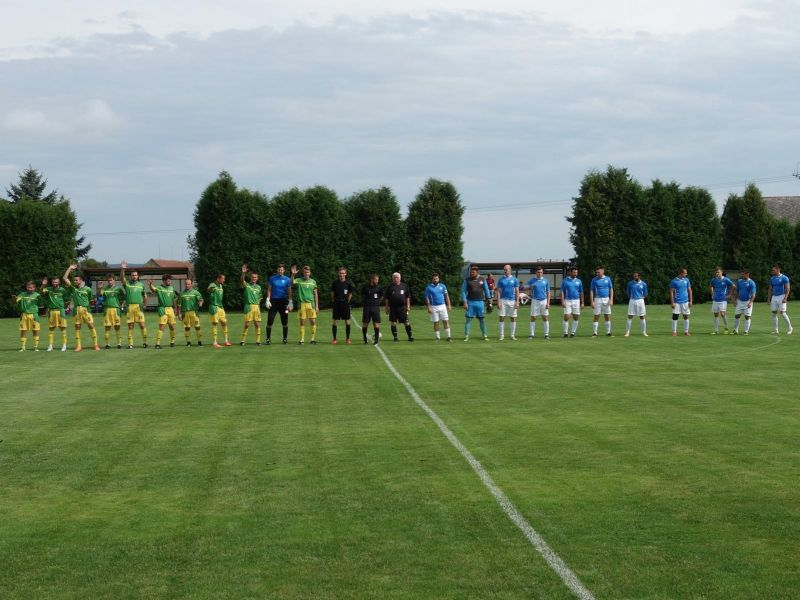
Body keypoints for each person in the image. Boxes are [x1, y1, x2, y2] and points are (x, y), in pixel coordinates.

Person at [63, 264, 100, 351]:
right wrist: (69, 268)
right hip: (76, 310)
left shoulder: (88, 289)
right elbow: (65, 278)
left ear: (81, 280)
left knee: (91, 325)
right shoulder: (73, 288)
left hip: (86, 310)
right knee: (77, 327)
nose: (74, 281)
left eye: (76, 280)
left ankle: (95, 344)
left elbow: (89, 299)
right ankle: (78, 346)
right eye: (74, 280)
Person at [120, 260, 148, 348]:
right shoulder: (127, 284)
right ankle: (130, 344)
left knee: (142, 325)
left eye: (135, 275)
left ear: (138, 276)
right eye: (132, 275)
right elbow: (121, 279)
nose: (134, 276)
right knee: (130, 326)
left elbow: (145, 296)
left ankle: (145, 342)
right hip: (130, 307)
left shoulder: (141, 285)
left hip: (138, 307)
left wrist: (144, 304)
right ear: (130, 276)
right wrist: (123, 269)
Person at [461, 265, 491, 341]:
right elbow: (463, 291)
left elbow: (486, 290)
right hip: (470, 302)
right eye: (471, 272)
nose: (471, 273)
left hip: (480, 302)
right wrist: (464, 302)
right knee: (468, 320)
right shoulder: (467, 280)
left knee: (482, 319)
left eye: (473, 272)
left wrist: (489, 299)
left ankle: (484, 335)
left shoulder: (482, 279)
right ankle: (466, 336)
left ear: (477, 272)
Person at [148, 274, 178, 349]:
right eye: (168, 280)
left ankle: (172, 342)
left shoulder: (171, 288)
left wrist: (175, 308)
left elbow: (174, 299)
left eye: (170, 280)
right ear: (164, 281)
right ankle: (157, 344)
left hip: (170, 309)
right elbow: (153, 289)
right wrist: (150, 284)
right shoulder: (159, 288)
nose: (170, 281)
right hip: (163, 309)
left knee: (172, 326)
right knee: (162, 326)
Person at [265, 263, 293, 345]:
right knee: (270, 320)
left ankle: (285, 339)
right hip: (273, 301)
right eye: (279, 270)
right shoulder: (272, 278)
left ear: (284, 270)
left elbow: (289, 291)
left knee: (284, 321)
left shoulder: (287, 279)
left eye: (282, 270)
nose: (280, 271)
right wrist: (267, 299)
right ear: (277, 270)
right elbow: (269, 289)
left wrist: (290, 301)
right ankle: (268, 339)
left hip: (283, 302)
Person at [292, 265, 319, 345]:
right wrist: (293, 275)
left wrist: (317, 306)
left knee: (313, 322)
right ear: (303, 273)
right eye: (305, 272)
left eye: (307, 272)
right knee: (302, 323)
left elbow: (316, 294)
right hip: (302, 304)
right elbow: (292, 282)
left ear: (310, 273)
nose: (306, 273)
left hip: (311, 304)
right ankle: (302, 339)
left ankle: (312, 339)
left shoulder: (313, 282)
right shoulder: (299, 280)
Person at [40, 275, 69, 351]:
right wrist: (43, 284)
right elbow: (41, 291)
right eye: (53, 282)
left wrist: (64, 307)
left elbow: (67, 300)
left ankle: (64, 345)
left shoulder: (63, 290)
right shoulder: (48, 289)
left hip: (60, 311)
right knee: (51, 328)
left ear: (59, 282)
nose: (54, 283)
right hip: (52, 311)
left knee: (62, 328)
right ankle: (50, 346)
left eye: (56, 281)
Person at [12, 281, 42, 351]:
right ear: (26, 287)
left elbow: (41, 303)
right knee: (23, 330)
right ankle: (23, 347)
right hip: (24, 315)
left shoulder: (37, 295)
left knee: (35, 330)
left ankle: (36, 347)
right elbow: (16, 300)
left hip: (34, 315)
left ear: (34, 288)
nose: (30, 289)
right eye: (28, 287)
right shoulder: (22, 294)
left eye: (31, 287)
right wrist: (14, 299)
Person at [385, 272, 414, 342]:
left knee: (406, 322)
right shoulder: (390, 287)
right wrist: (386, 308)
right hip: (393, 308)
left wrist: (408, 306)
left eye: (397, 277)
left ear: (400, 278)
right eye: (394, 277)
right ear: (392, 279)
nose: (395, 279)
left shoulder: (404, 286)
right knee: (393, 323)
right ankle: (395, 337)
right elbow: (387, 298)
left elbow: (407, 297)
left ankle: (410, 337)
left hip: (402, 308)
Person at [523, 266, 551, 339]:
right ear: (536, 272)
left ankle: (546, 334)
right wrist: (530, 286)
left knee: (545, 317)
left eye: (541, 272)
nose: (540, 273)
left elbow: (548, 292)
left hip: (544, 301)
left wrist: (548, 303)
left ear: (542, 273)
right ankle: (531, 334)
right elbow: (524, 288)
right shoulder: (532, 280)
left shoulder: (546, 281)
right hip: (535, 300)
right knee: (533, 317)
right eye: (538, 272)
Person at [98, 273, 125, 348]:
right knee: (107, 327)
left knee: (117, 327)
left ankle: (119, 343)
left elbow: (123, 298)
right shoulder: (104, 289)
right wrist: (100, 288)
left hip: (116, 310)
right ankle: (107, 344)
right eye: (108, 280)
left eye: (111, 280)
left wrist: (122, 306)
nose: (110, 282)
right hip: (107, 310)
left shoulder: (118, 289)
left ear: (114, 280)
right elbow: (100, 297)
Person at [240, 264, 263, 346]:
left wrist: (257, 304)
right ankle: (242, 340)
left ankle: (258, 341)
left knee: (257, 324)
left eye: (255, 277)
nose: (254, 278)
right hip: (248, 306)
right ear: (251, 278)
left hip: (256, 307)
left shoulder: (259, 287)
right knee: (247, 324)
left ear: (257, 278)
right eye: (252, 277)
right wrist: (243, 273)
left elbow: (260, 297)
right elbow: (242, 280)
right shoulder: (247, 285)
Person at [425, 272, 452, 341]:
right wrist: (428, 307)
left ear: (438, 279)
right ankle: (437, 337)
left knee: (445, 321)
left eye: (436, 279)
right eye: (434, 279)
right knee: (436, 322)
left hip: (443, 306)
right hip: (434, 307)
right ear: (432, 280)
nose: (435, 280)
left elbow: (446, 296)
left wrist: (449, 305)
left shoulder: (443, 286)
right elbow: (427, 298)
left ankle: (448, 337)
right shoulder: (428, 288)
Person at [331, 266, 354, 344]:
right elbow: (332, 293)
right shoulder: (335, 283)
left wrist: (347, 301)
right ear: (338, 273)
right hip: (337, 304)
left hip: (345, 304)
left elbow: (350, 293)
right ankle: (334, 339)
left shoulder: (348, 283)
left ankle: (347, 339)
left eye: (343, 273)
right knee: (335, 322)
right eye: (340, 273)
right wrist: (334, 302)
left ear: (345, 274)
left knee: (347, 322)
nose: (341, 275)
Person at [496, 264, 520, 340]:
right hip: (503, 300)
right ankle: (501, 335)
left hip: (512, 301)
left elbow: (517, 291)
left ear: (510, 270)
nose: (505, 271)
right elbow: (499, 292)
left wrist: (517, 302)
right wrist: (498, 302)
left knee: (513, 318)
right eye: (504, 269)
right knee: (502, 317)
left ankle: (512, 335)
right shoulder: (501, 279)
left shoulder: (515, 279)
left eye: (506, 269)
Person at [208, 273, 232, 347]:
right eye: (223, 279)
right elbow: (208, 289)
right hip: (214, 306)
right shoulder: (213, 284)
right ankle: (214, 343)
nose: (224, 280)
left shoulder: (221, 286)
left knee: (224, 322)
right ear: (218, 279)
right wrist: (211, 289)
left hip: (220, 307)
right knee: (215, 323)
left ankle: (226, 341)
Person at [709, 267, 735, 334]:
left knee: (723, 314)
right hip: (715, 300)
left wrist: (730, 295)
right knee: (715, 314)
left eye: (718, 272)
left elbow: (733, 286)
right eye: (716, 272)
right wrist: (712, 294)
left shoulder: (726, 280)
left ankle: (726, 328)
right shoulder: (713, 280)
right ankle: (716, 330)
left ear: (721, 272)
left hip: (723, 300)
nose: (717, 273)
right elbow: (711, 286)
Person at [768, 264, 793, 335]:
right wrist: (769, 299)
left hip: (782, 296)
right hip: (774, 297)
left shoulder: (784, 278)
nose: (772, 271)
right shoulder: (772, 278)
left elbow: (788, 288)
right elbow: (770, 288)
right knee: (774, 313)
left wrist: (785, 297)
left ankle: (790, 328)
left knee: (782, 313)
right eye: (772, 270)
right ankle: (776, 330)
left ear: (778, 269)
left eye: (774, 270)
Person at [590, 266, 614, 337]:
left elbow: (611, 289)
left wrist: (611, 299)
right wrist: (592, 301)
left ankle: (608, 332)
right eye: (596, 272)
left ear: (602, 271)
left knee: (607, 315)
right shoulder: (594, 279)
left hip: (606, 299)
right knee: (596, 316)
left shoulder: (607, 279)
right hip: (597, 299)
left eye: (599, 272)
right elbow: (591, 290)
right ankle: (595, 333)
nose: (597, 273)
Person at [178, 278, 203, 345]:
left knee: (197, 327)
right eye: (186, 284)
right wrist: (179, 314)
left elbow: (201, 299)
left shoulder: (195, 292)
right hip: (185, 313)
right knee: (187, 328)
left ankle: (199, 341)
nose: (187, 285)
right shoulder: (181, 294)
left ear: (191, 284)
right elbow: (179, 305)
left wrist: (200, 303)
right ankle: (188, 342)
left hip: (194, 312)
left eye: (188, 284)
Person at [561, 266, 584, 337]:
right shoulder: (565, 281)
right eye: (574, 272)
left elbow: (581, 292)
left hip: (577, 301)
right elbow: (562, 291)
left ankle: (573, 332)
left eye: (576, 272)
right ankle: (565, 332)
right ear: (570, 272)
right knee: (567, 316)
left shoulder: (579, 281)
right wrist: (562, 301)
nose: (575, 274)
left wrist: (582, 302)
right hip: (567, 300)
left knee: (576, 316)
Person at [669, 268, 693, 336]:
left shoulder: (686, 280)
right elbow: (671, 292)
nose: (686, 274)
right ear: (681, 273)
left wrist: (690, 301)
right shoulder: (674, 281)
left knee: (686, 316)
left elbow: (689, 290)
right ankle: (674, 331)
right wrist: (672, 302)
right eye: (685, 273)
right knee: (675, 316)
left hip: (685, 301)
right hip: (677, 302)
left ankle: (686, 331)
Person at [624, 272, 649, 337]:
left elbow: (645, 293)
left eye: (636, 276)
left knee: (642, 316)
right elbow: (628, 292)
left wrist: (640, 297)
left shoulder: (643, 284)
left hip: (640, 301)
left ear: (639, 276)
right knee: (630, 316)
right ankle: (627, 332)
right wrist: (632, 297)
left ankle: (644, 332)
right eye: (634, 276)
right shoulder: (630, 283)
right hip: (632, 300)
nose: (634, 277)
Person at [732, 269, 756, 335]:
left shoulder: (752, 283)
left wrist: (750, 302)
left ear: (747, 274)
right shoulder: (740, 281)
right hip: (739, 301)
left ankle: (746, 331)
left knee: (747, 317)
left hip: (747, 302)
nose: (742, 275)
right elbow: (737, 291)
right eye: (741, 274)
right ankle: (735, 330)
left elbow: (753, 294)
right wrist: (735, 300)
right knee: (737, 315)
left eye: (743, 274)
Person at [361, 273, 383, 345]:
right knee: (365, 324)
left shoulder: (379, 288)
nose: (377, 281)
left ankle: (376, 340)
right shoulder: (365, 287)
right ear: (372, 279)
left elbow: (381, 297)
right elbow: (362, 295)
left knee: (376, 324)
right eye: (376, 280)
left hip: (375, 308)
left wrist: (376, 302)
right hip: (367, 307)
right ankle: (365, 338)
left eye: (378, 280)